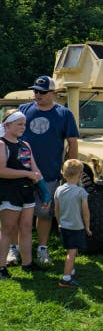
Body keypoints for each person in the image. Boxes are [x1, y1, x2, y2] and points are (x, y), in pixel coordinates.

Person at [18, 75, 79, 267]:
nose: (37, 95)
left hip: (50, 174)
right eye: (35, 91)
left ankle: (42, 248)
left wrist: (70, 171)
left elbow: (72, 143)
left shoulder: (64, 114)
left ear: (53, 93)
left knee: (44, 214)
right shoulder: (23, 110)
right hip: (21, 173)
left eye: (42, 92)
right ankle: (13, 248)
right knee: (16, 212)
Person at [0, 110, 45, 279]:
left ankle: (27, 263)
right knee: (7, 229)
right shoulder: (2, 144)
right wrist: (26, 174)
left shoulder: (25, 145)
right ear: (7, 125)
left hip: (27, 192)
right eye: (19, 124)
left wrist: (44, 194)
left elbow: (35, 170)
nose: (23, 127)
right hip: (8, 192)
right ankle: (1, 267)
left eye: (24, 124)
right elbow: (1, 171)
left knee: (26, 228)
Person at [53, 159, 91, 288]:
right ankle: (66, 278)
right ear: (80, 175)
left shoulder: (58, 190)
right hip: (76, 227)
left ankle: (71, 269)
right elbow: (86, 213)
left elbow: (56, 209)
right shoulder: (81, 192)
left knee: (70, 250)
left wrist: (59, 223)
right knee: (72, 253)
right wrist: (87, 227)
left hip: (63, 226)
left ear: (63, 174)